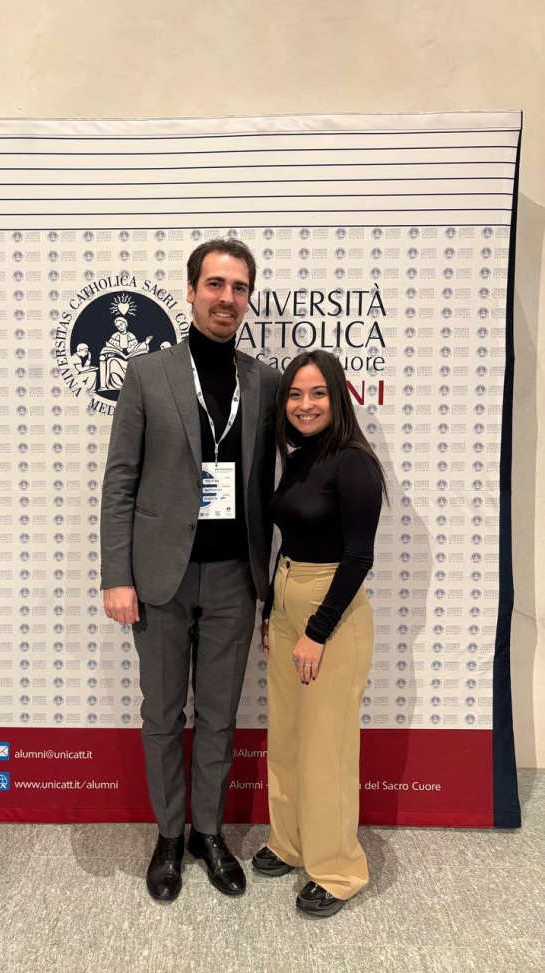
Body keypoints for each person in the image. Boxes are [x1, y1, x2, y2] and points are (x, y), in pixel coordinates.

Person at [100, 239, 280, 902]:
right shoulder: (149, 374)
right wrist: (116, 575)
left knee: (219, 715)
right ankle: (169, 835)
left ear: (247, 298)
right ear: (192, 290)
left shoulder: (265, 382)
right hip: (160, 577)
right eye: (215, 284)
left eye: (239, 287)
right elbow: (121, 481)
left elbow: (275, 481)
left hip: (235, 576)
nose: (227, 297)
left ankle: (209, 832)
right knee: (161, 713)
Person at [252, 349, 385, 918]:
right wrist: (271, 612)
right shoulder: (301, 456)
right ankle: (291, 843)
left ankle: (338, 870)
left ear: (338, 397)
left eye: (318, 393)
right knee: (287, 737)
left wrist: (317, 631)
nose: (305, 405)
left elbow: (358, 558)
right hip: (288, 600)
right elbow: (290, 537)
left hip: (331, 610)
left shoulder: (353, 463)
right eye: (295, 394)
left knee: (326, 748)